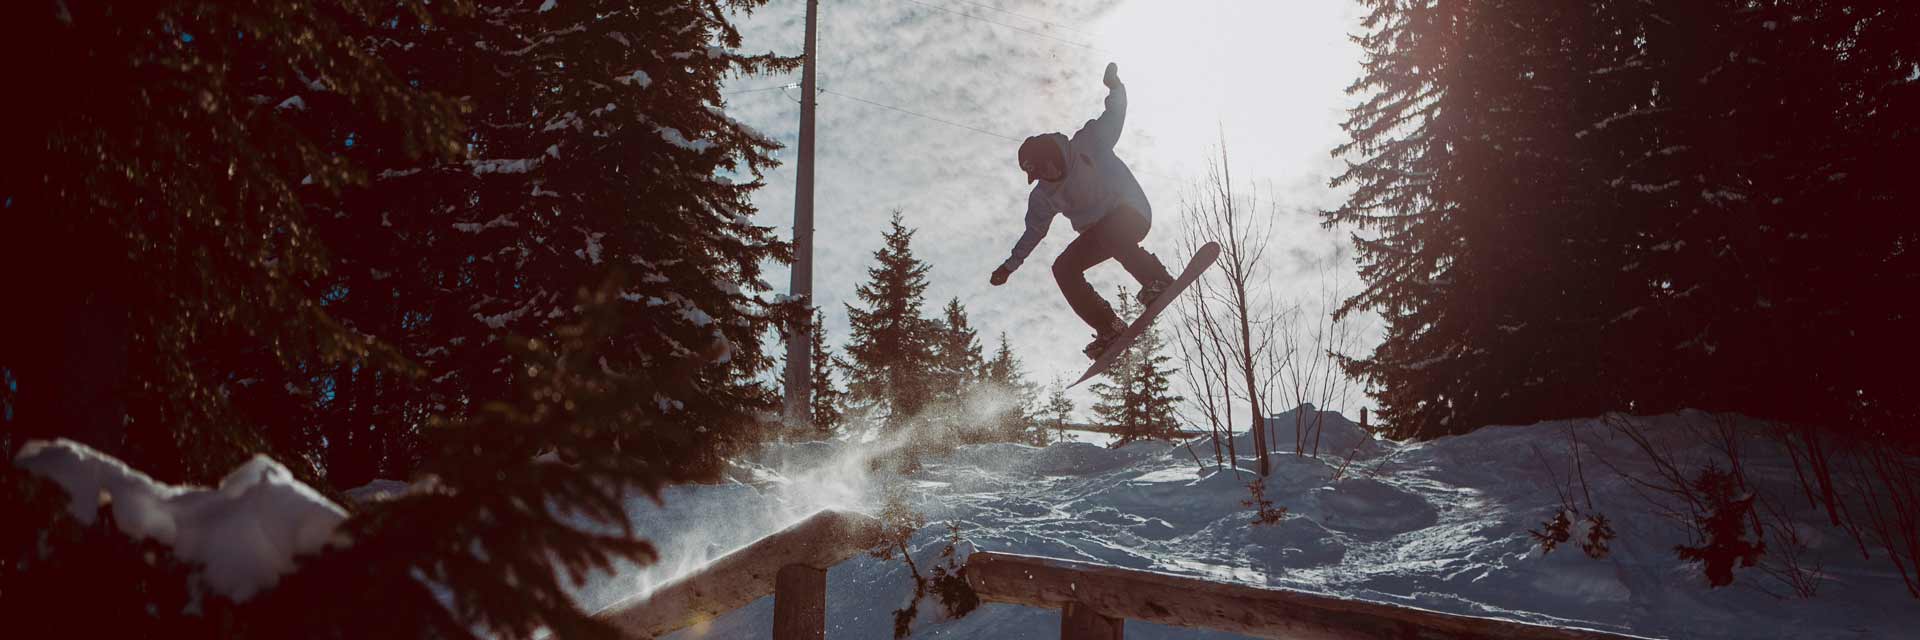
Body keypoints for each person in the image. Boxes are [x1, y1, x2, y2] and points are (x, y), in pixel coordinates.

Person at [989, 62, 1175, 359]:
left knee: (1111, 231)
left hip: (1131, 212)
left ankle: (1156, 279)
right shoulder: (1042, 197)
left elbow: (1115, 115)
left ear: (1050, 155)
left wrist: (1115, 87)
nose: (1045, 178)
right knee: (1063, 268)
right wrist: (1010, 266)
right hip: (1103, 235)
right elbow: (1033, 233)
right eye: (1037, 176)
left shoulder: (1088, 142)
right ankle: (1109, 326)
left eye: (1042, 169)